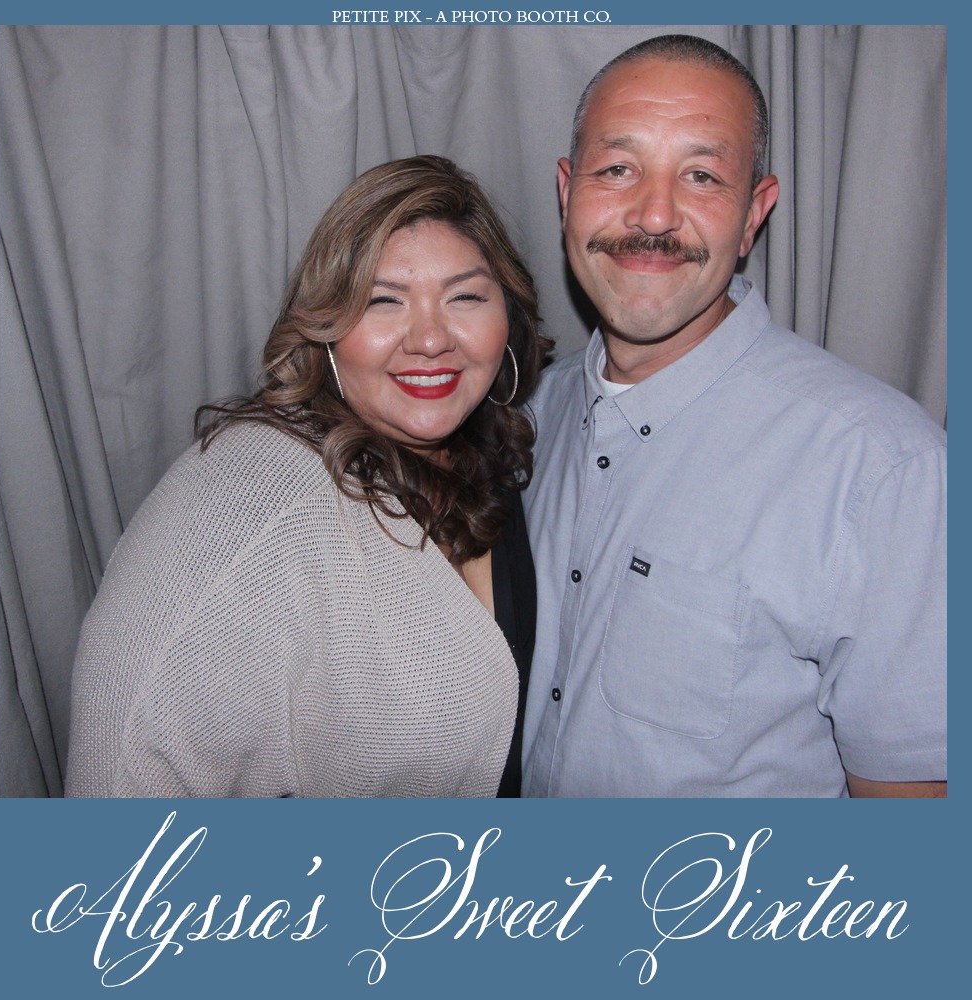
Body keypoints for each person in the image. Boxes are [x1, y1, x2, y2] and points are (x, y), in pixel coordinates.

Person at [522, 35, 946, 798]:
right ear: (566, 193)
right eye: (617, 169)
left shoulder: (883, 471)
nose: (654, 214)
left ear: (753, 214)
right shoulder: (525, 420)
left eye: (702, 176)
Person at [66, 155, 549, 798]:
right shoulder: (253, 499)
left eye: (465, 297)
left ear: (508, 317)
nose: (431, 339)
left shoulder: (493, 451)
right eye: (382, 301)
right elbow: (118, 761)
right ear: (325, 327)